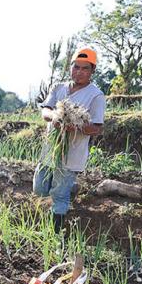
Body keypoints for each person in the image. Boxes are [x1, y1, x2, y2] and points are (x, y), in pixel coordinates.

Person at [33, 47, 106, 232]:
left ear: (92, 71)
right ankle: (71, 188)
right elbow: (45, 110)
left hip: (72, 153)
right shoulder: (58, 88)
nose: (79, 72)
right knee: (39, 188)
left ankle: (55, 233)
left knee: (59, 194)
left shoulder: (96, 96)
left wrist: (75, 126)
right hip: (50, 148)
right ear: (70, 67)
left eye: (85, 68)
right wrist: (55, 117)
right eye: (76, 67)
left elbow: (97, 128)